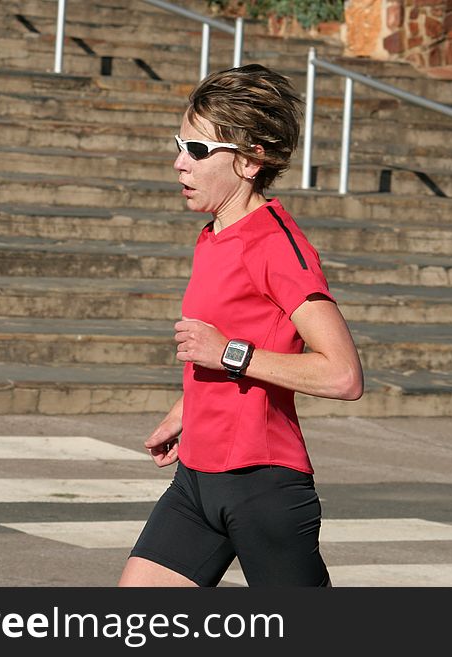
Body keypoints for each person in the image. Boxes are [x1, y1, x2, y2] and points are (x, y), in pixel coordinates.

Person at [118, 64, 364, 587]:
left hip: (261, 486)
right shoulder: (213, 236)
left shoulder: (278, 246)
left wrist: (230, 353)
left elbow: (343, 376)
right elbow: (234, 342)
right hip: (196, 483)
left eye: (199, 151)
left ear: (251, 160)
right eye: (180, 145)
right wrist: (187, 410)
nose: (180, 164)